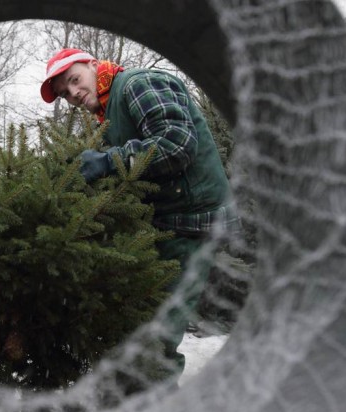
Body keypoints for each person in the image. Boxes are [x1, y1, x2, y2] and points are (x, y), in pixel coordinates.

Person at [40, 48, 241, 385]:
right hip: (167, 226)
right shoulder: (109, 113)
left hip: (190, 225)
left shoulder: (137, 84)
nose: (73, 94)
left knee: (154, 343)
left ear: (92, 65)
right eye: (65, 94)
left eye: (73, 80)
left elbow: (176, 144)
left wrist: (107, 162)